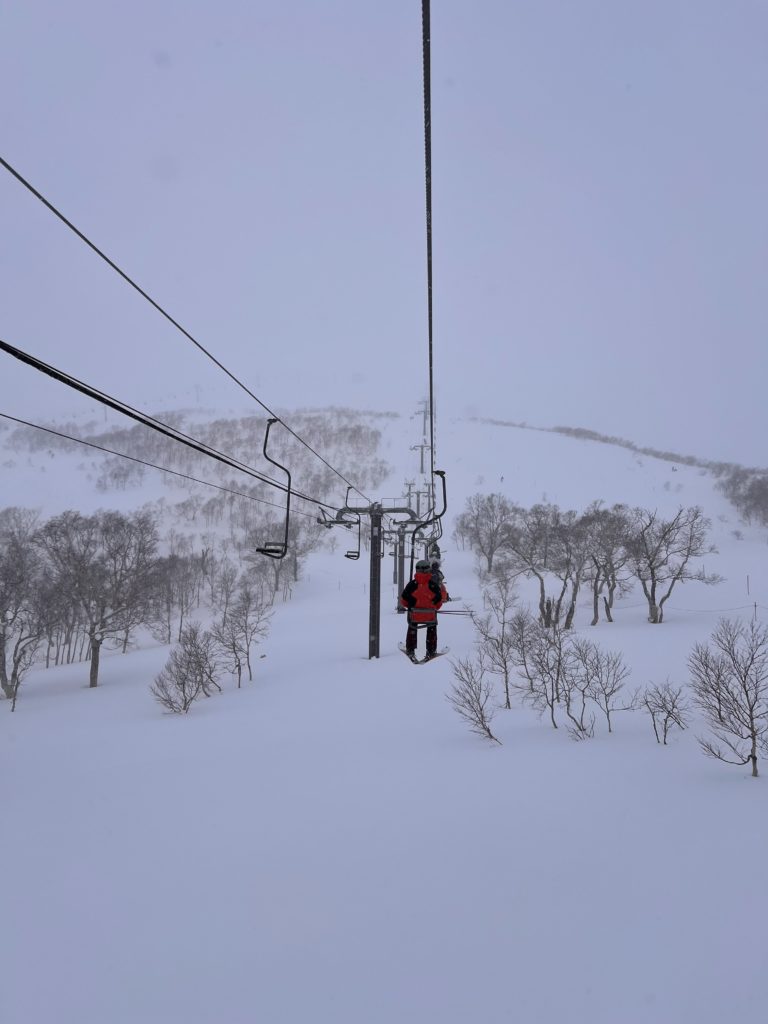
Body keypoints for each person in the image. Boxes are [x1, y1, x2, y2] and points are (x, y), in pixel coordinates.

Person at [400, 558, 446, 659]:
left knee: (412, 626)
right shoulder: (433, 586)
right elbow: (438, 604)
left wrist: (413, 606)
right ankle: (431, 650)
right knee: (432, 628)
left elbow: (403, 601)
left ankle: (410, 649)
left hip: (415, 616)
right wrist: (429, 606)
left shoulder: (412, 585)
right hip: (430, 617)